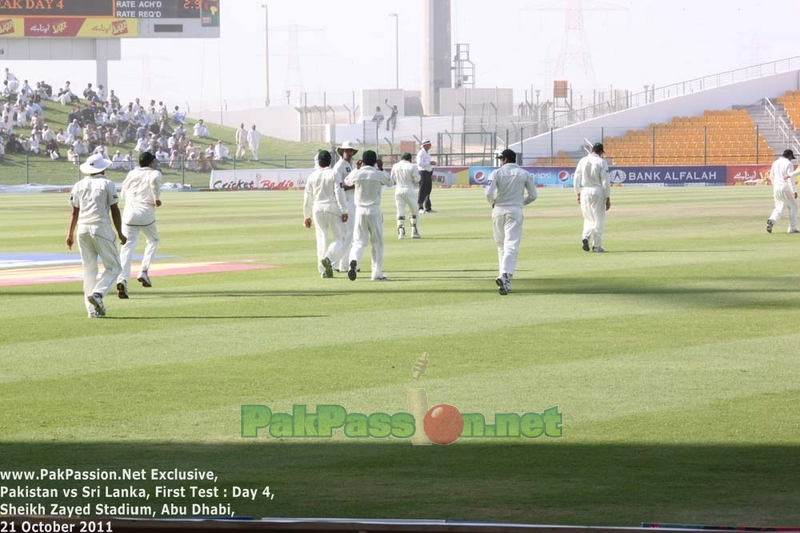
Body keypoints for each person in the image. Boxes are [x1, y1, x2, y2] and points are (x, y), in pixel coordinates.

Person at [65, 153, 127, 318]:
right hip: (101, 227)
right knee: (114, 267)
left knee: (89, 271)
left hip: (82, 229)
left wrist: (69, 234)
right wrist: (120, 233)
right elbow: (114, 210)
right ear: (104, 168)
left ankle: (92, 311)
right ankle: (98, 294)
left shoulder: (78, 185)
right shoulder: (107, 183)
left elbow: (74, 212)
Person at [485, 149, 537, 296]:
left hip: (498, 211)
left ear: (506, 159)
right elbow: (533, 195)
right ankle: (505, 275)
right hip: (514, 211)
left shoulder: (496, 173)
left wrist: (492, 203)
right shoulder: (524, 173)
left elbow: (488, 193)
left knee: (501, 246)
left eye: (501, 158)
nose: (501, 161)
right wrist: (520, 203)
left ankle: (504, 279)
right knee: (511, 246)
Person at [116, 151, 163, 298]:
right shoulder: (155, 173)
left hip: (129, 215)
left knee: (127, 248)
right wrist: (156, 198)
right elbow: (155, 181)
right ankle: (143, 271)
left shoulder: (131, 173)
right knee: (154, 240)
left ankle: (122, 280)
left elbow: (123, 193)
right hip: (145, 214)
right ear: (150, 163)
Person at [344, 150, 393, 281]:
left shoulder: (358, 173)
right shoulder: (377, 173)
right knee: (377, 243)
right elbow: (390, 182)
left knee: (358, 241)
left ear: (363, 161)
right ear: (375, 161)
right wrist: (382, 169)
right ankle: (376, 273)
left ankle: (353, 261)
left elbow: (347, 181)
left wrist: (356, 169)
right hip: (374, 210)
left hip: (360, 210)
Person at [302, 150, 349, 278]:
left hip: (317, 208)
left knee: (321, 239)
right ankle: (328, 258)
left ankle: (323, 270)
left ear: (319, 162)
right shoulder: (334, 174)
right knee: (340, 238)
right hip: (332, 207)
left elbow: (307, 198)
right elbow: (339, 193)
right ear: (330, 161)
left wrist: (306, 216)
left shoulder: (312, 176)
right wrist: (344, 210)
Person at [574, 142, 611, 252]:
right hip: (597, 191)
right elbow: (605, 182)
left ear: (592, 150)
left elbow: (576, 178)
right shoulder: (601, 162)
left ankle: (585, 237)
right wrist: (608, 197)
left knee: (588, 217)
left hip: (585, 191)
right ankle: (597, 246)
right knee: (598, 220)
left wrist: (578, 192)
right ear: (600, 152)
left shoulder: (582, 160)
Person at [333, 141, 358, 272]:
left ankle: (344, 264)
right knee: (348, 234)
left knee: (350, 234)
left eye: (350, 151)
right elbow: (338, 185)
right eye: (346, 151)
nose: (348, 153)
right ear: (342, 152)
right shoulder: (339, 166)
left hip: (351, 200)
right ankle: (335, 262)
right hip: (345, 201)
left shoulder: (349, 165)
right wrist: (355, 185)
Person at [766, 149, 799, 234]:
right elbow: (789, 178)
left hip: (776, 187)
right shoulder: (788, 163)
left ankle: (771, 220)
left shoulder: (775, 163)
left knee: (778, 207)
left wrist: (775, 186)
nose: (791, 159)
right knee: (793, 207)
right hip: (784, 187)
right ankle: (792, 228)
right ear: (790, 156)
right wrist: (793, 190)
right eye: (791, 157)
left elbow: (772, 176)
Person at [391, 152, 421, 239]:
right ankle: (414, 232)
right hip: (409, 189)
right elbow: (417, 180)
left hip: (398, 189)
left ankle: (401, 233)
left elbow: (392, 178)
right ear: (410, 158)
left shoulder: (395, 166)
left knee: (400, 211)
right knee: (414, 211)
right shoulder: (412, 166)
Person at [416, 139, 436, 213]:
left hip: (428, 172)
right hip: (423, 172)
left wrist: (431, 171)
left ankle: (428, 208)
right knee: (422, 190)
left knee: (428, 190)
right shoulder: (421, 153)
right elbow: (419, 163)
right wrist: (429, 162)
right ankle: (419, 207)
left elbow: (428, 164)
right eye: (428, 144)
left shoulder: (427, 153)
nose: (430, 145)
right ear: (424, 145)